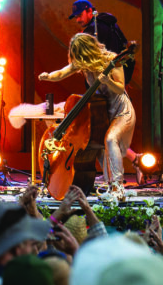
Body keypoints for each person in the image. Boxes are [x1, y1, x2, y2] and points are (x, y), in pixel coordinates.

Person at [39, 33, 134, 201]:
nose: (78, 61)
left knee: (111, 140)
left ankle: (118, 187)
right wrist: (49, 76)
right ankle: (111, 187)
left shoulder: (112, 60)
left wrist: (108, 81)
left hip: (121, 110)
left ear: (87, 50)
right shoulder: (83, 64)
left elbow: (120, 88)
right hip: (102, 113)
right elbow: (62, 73)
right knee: (100, 148)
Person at [69, 0, 133, 82]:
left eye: (80, 16)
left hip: (105, 79)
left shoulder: (91, 30)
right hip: (121, 75)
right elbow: (125, 45)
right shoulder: (109, 23)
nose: (77, 20)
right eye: (76, 17)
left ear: (89, 11)